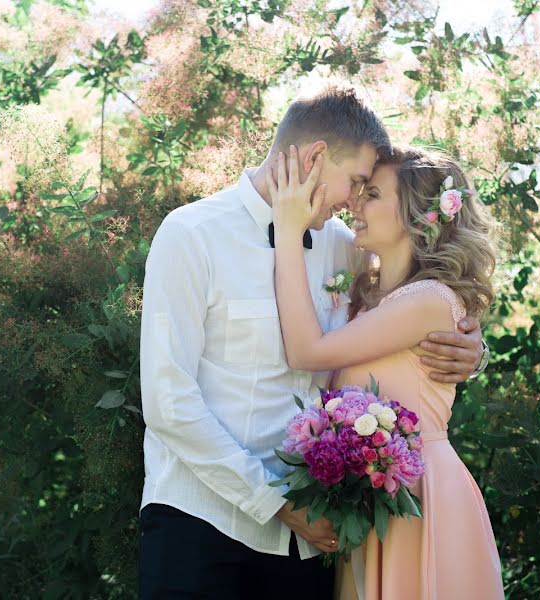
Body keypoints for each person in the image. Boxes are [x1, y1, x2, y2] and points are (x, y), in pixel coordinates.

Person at [138, 86, 489, 599]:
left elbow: (415, 301)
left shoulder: (342, 249)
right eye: (356, 183)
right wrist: (275, 502)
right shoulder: (191, 235)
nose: (354, 202)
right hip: (201, 522)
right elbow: (169, 403)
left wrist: (472, 347)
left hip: (306, 542)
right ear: (317, 157)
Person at [268, 144, 504, 599]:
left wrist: (288, 231)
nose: (355, 202)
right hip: (375, 495)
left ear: (417, 216)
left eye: (372, 193)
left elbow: (306, 350)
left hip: (420, 495)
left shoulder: (429, 299)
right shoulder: (367, 294)